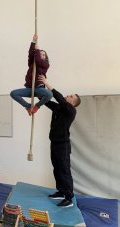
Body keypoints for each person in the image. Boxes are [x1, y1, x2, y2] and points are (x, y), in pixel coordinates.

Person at [40, 75, 81, 208]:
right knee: (57, 169)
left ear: (73, 102)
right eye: (69, 95)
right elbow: (46, 101)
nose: (68, 96)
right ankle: (61, 192)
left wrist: (47, 83)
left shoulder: (71, 110)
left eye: (70, 96)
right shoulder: (59, 108)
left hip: (63, 145)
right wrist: (39, 90)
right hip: (55, 143)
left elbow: (58, 97)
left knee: (64, 170)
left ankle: (69, 197)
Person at [10, 34, 53, 115]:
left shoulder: (45, 64)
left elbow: (38, 60)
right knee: (13, 93)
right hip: (29, 89)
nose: (41, 55)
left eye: (43, 55)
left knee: (49, 94)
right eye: (40, 54)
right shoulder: (32, 63)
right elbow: (31, 54)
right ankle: (28, 106)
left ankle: (37, 106)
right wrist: (33, 42)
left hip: (39, 89)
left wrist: (37, 50)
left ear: (45, 58)